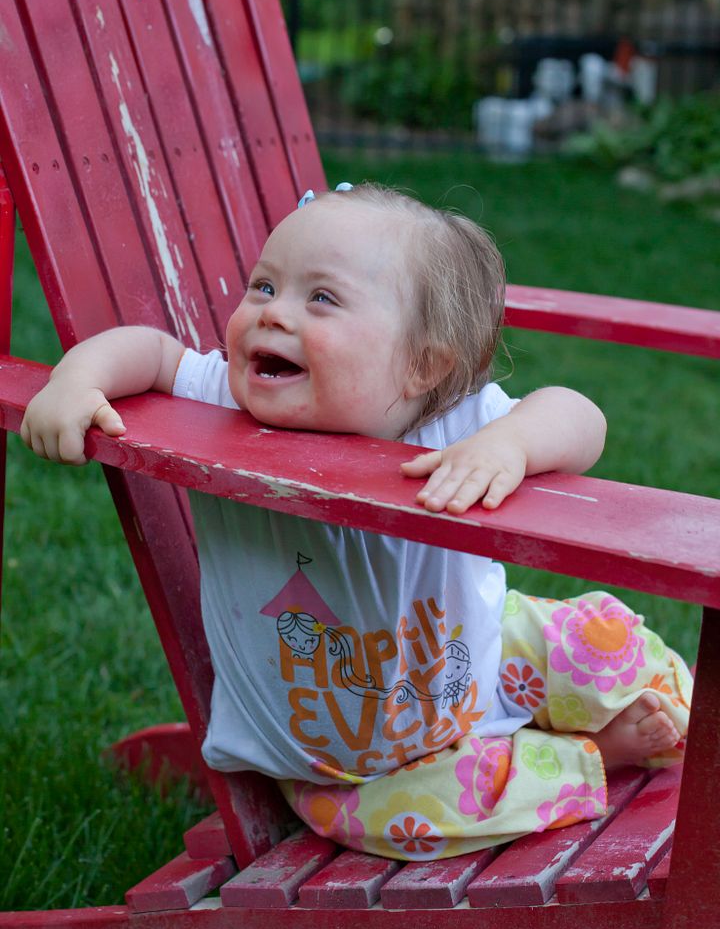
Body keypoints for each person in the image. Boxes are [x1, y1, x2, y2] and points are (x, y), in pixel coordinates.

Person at [21, 183, 691, 860]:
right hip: (349, 766)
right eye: (263, 286)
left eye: (321, 299)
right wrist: (75, 381)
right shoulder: (220, 399)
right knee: (418, 819)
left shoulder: (451, 421)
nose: (273, 314)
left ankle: (684, 712)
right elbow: (150, 350)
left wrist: (510, 444)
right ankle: (589, 757)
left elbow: (580, 417)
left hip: (473, 659)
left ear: (422, 365)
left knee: (599, 638)